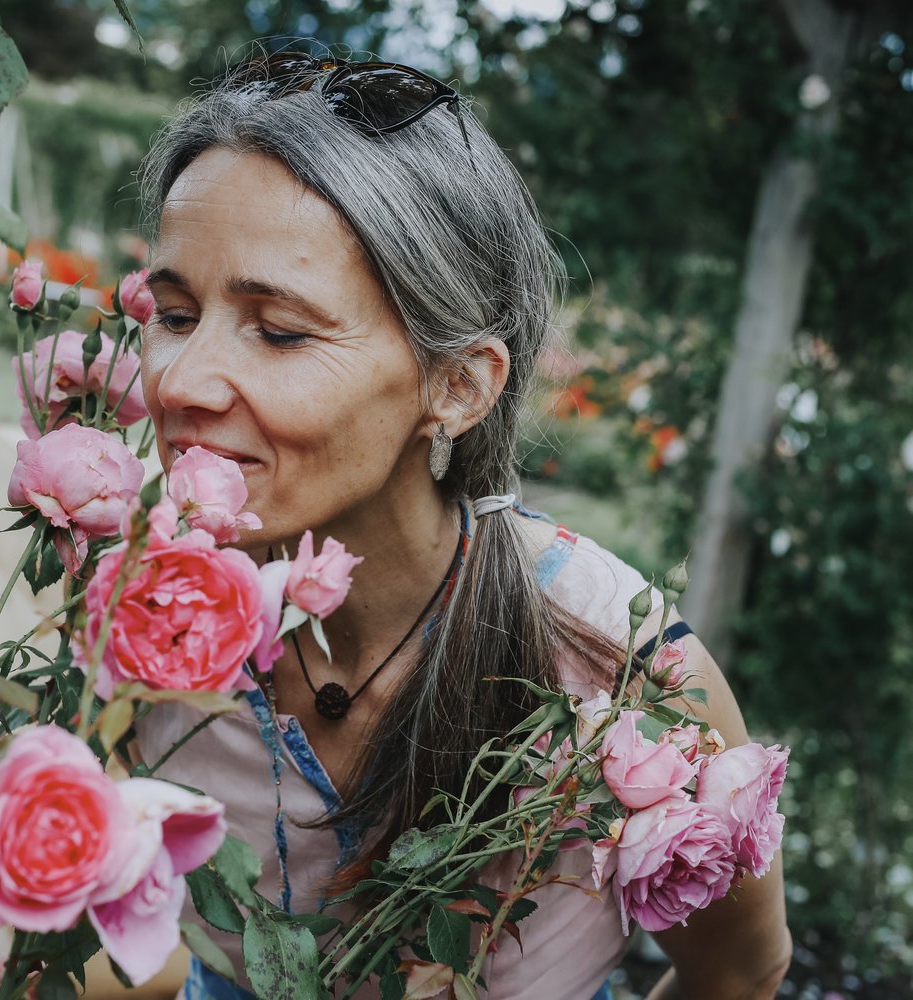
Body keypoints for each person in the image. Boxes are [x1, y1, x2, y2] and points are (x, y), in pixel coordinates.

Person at [127, 49, 792, 1000]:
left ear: (458, 385)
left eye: (279, 331)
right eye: (175, 313)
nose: (181, 383)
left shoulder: (622, 676)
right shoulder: (125, 612)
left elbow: (741, 971)